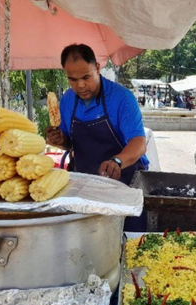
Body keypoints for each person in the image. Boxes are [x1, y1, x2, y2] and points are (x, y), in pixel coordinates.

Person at [46, 44, 149, 231]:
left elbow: (139, 142)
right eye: (72, 79)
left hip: (125, 183)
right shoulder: (68, 100)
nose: (80, 85)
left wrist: (117, 161)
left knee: (130, 240)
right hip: (87, 185)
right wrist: (59, 140)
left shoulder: (122, 98)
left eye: (86, 77)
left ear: (97, 68)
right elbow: (70, 143)